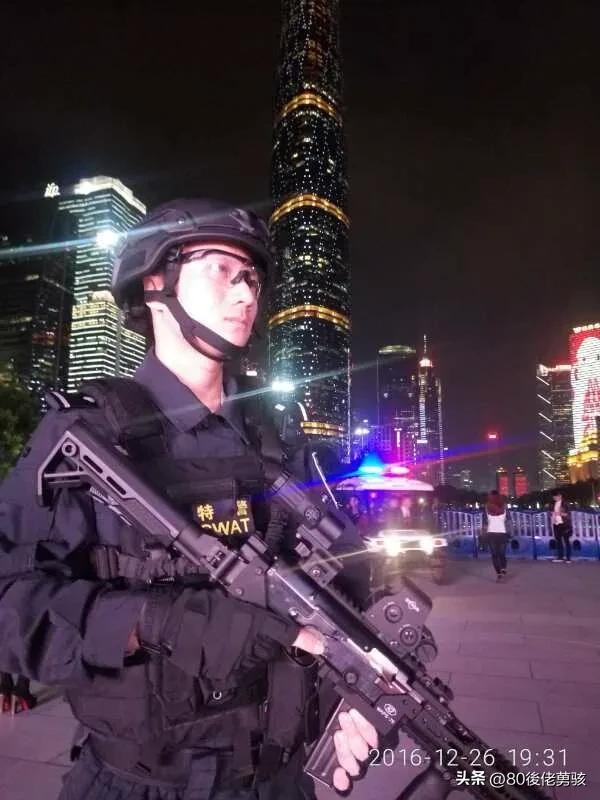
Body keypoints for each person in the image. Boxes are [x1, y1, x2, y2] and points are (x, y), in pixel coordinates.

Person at [0, 200, 377, 800]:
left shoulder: (277, 440)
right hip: (138, 784)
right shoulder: (87, 438)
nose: (246, 293)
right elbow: (9, 605)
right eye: (222, 270)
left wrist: (352, 693)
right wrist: (156, 622)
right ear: (156, 284)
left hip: (277, 782)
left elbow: (341, 584)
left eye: (252, 278)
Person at [484, 490, 509, 581]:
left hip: (493, 533)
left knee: (496, 554)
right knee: (500, 554)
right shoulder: (503, 507)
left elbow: (485, 521)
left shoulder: (488, 507)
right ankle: (501, 570)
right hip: (500, 533)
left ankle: (500, 572)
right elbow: (508, 519)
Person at [551, 489, 572, 563]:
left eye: (555, 496)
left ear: (560, 496)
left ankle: (568, 558)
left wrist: (560, 513)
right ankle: (560, 557)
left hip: (565, 524)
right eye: (553, 497)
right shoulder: (553, 504)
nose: (554, 498)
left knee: (566, 541)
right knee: (558, 541)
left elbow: (568, 514)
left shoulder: (565, 503)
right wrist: (553, 519)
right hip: (556, 524)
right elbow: (553, 513)